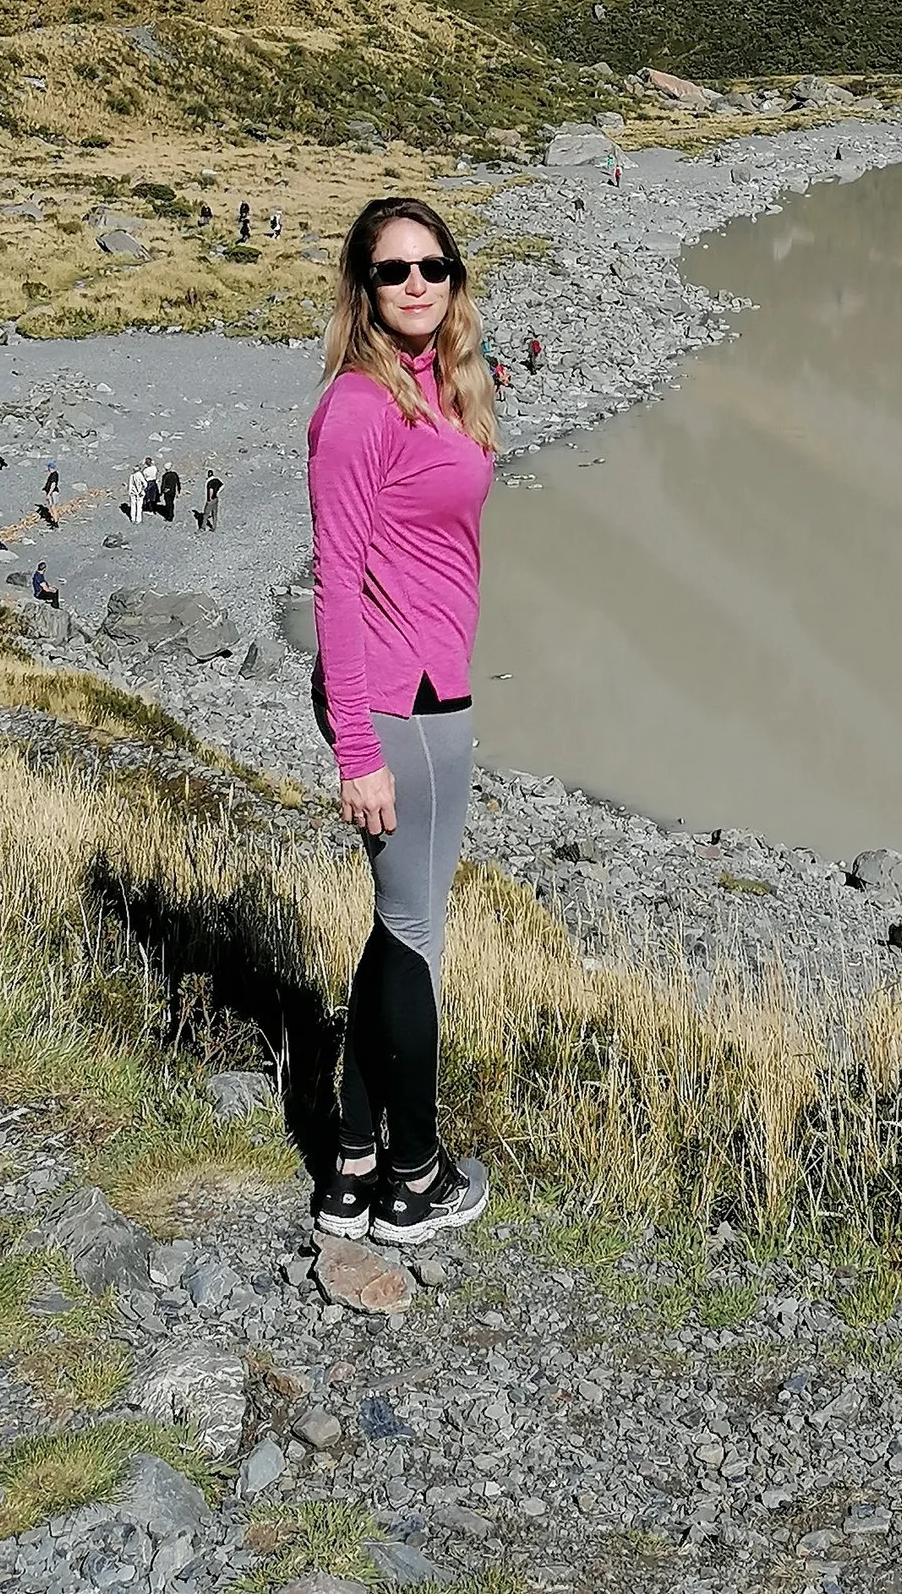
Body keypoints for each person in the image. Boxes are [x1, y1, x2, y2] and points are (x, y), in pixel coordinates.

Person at [306, 195, 496, 1247]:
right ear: (362, 287)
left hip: (427, 690)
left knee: (395, 928)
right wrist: (358, 751)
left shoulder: (438, 386)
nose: (416, 284)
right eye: (393, 271)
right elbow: (334, 584)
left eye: (433, 266)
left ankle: (352, 1159)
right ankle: (415, 1180)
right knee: (416, 933)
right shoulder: (359, 409)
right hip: (397, 705)